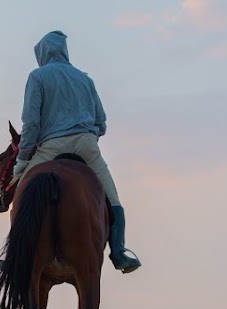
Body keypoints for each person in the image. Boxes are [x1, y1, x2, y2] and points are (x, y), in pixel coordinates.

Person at [13, 31, 141, 273]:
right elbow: (101, 122)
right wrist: (88, 134)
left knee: (22, 197)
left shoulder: (37, 76)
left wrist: (21, 161)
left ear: (41, 54)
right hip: (86, 146)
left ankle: (13, 256)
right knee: (113, 199)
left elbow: (31, 124)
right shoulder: (85, 79)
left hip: (50, 148)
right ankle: (119, 251)